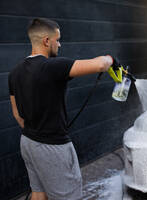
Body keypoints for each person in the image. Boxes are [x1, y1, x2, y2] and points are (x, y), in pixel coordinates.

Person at [8, 18, 118, 200]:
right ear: (46, 41)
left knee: (38, 193)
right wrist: (111, 59)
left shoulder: (15, 72)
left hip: (27, 142)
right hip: (53, 147)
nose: (59, 44)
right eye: (57, 40)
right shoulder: (52, 66)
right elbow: (99, 65)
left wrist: (35, 131)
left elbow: (17, 114)